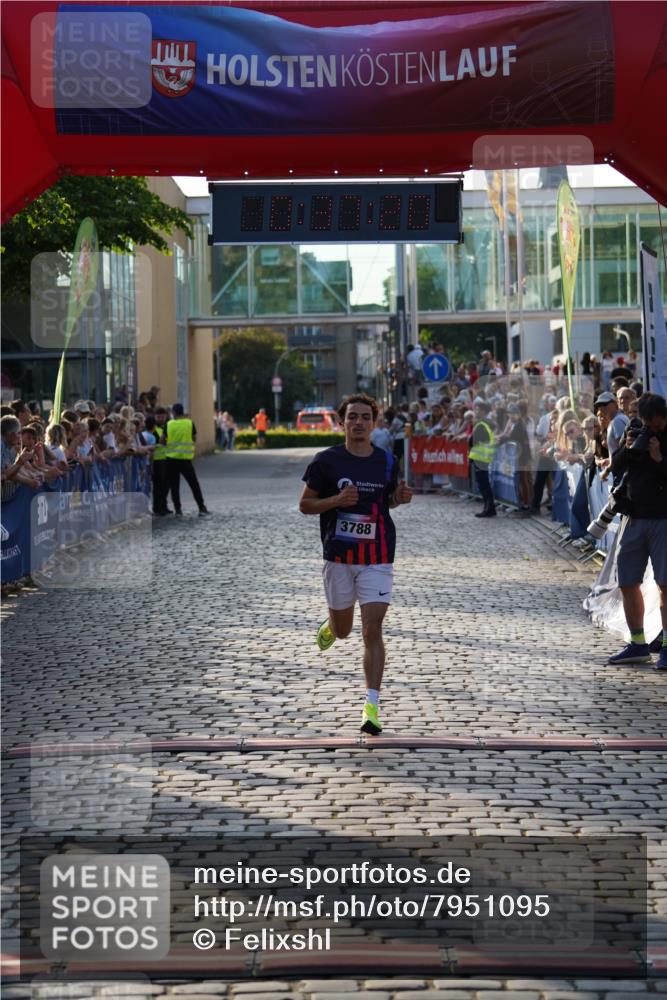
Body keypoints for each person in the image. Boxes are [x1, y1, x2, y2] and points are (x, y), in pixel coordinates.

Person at [299, 393, 413, 735]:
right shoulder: (325, 461)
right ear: (342, 422)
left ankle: (371, 707)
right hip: (339, 556)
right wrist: (336, 500)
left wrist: (399, 498)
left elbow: (387, 500)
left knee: (372, 630)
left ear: (374, 423)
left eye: (365, 417)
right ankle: (333, 625)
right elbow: (305, 505)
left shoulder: (387, 461)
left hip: (378, 555)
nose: (359, 422)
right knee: (345, 630)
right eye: (353, 417)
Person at [607, 392, 667, 668]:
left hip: (663, 518)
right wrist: (627, 447)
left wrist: (659, 458)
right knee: (628, 582)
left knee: (665, 585)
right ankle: (638, 644)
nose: (654, 429)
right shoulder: (634, 432)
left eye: (658, 424)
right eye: (649, 424)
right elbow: (616, 467)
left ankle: (666, 647)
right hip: (634, 517)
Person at [164, 403, 210, 516]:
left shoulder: (168, 424)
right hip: (185, 460)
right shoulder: (189, 423)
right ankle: (201, 507)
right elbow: (194, 438)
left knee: (174, 486)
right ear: (182, 412)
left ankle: (178, 510)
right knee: (194, 484)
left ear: (174, 412)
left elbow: (162, 440)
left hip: (171, 459)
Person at [469, 400, 496, 517]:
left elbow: (473, 440)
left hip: (480, 458)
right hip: (483, 457)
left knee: (484, 485)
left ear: (484, 411)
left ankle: (489, 508)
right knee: (484, 484)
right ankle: (488, 507)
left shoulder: (481, 424)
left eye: (478, 409)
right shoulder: (486, 423)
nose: (476, 411)